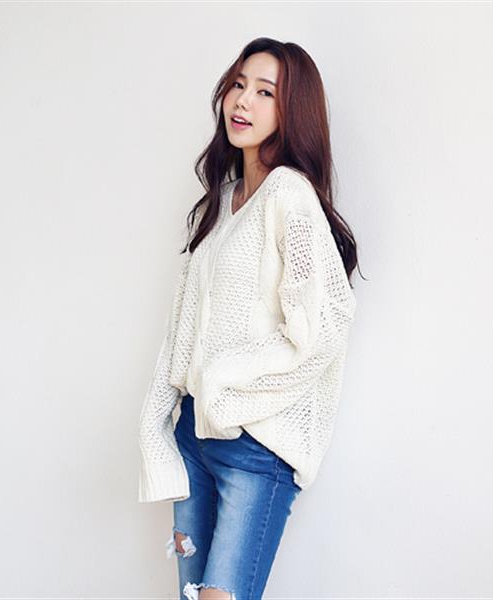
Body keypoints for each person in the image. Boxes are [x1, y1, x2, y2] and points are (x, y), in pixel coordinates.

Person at [138, 37, 365, 600]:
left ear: (292, 110)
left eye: (266, 92)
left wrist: (224, 381)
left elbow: (321, 331)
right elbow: (181, 331)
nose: (243, 101)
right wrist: (154, 425)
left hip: (256, 448)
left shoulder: (290, 195)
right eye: (239, 85)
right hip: (193, 438)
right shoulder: (221, 202)